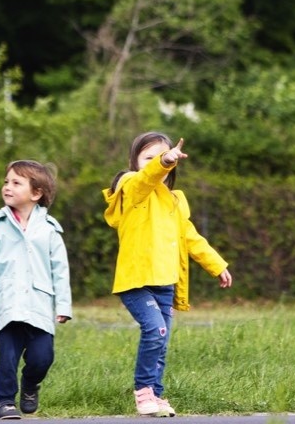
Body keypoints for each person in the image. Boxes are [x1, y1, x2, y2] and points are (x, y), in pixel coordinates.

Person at [102, 133, 233, 418]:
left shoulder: (174, 201)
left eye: (162, 156)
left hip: (165, 283)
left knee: (162, 341)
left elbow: (191, 238)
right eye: (147, 157)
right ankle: (143, 392)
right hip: (136, 281)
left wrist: (217, 265)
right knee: (155, 331)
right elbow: (144, 180)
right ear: (135, 163)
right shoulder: (130, 187)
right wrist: (161, 161)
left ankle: (157, 395)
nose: (158, 163)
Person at [0, 160, 72, 420]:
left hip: (40, 305)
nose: (7, 187)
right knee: (7, 357)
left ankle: (30, 385)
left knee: (43, 357)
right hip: (9, 304)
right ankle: (5, 401)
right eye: (6, 181)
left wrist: (63, 305)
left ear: (36, 193)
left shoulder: (49, 230)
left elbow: (60, 272)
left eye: (16, 183)